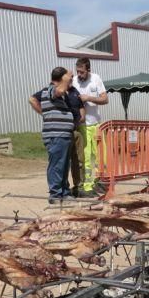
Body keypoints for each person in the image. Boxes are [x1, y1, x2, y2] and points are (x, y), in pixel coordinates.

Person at [30, 67, 80, 204]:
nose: (71, 79)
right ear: (61, 78)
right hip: (56, 135)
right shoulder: (51, 89)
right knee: (57, 165)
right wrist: (66, 79)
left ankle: (64, 192)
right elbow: (59, 90)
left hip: (63, 134)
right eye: (69, 77)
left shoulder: (60, 93)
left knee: (64, 165)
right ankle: (55, 194)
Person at [71, 58, 108, 197]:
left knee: (100, 156)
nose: (79, 75)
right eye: (77, 72)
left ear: (88, 70)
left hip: (96, 124)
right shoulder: (74, 81)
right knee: (86, 157)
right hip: (82, 126)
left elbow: (105, 99)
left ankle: (100, 182)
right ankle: (87, 186)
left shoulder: (96, 79)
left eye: (82, 72)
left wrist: (89, 98)